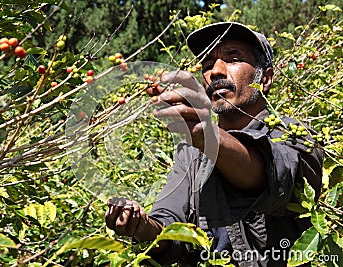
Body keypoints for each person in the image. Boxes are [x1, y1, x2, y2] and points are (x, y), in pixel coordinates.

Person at [105, 22, 323, 266]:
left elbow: (271, 176)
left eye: (233, 58)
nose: (216, 72)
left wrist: (209, 137)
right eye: (207, 65)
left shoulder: (294, 135)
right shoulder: (191, 152)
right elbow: (170, 223)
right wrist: (141, 225)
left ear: (266, 79)